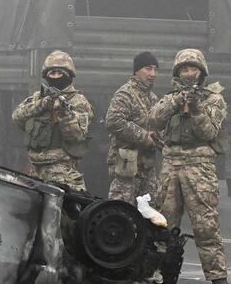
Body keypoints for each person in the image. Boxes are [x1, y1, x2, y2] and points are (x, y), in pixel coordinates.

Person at [148, 48, 229, 284]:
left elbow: (209, 132)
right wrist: (176, 101)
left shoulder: (214, 99)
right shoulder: (170, 97)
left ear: (201, 72)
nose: (189, 73)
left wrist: (195, 107)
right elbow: (153, 120)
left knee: (206, 224)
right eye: (184, 69)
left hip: (199, 165)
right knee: (164, 224)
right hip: (171, 164)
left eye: (193, 68)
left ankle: (217, 277)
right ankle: (161, 276)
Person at [12, 50, 94, 192]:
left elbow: (77, 135)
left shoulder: (78, 101)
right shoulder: (39, 97)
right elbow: (17, 117)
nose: (56, 77)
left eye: (59, 73)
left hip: (62, 173)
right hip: (35, 172)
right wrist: (41, 105)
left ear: (68, 75)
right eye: (52, 73)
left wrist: (62, 113)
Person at [105, 51, 161, 204]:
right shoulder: (125, 94)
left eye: (155, 69)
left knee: (150, 212)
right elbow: (113, 121)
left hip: (146, 166)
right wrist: (143, 137)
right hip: (126, 166)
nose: (153, 74)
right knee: (121, 210)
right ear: (137, 70)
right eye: (148, 68)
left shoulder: (153, 98)